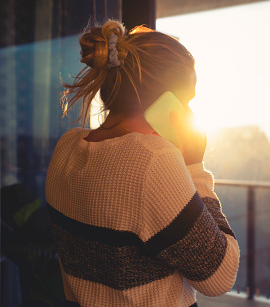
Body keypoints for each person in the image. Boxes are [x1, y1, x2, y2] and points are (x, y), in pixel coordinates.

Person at [45, 20, 240, 306]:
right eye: (186, 101)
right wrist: (194, 167)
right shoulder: (153, 160)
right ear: (168, 102)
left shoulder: (66, 147)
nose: (188, 111)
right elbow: (220, 275)